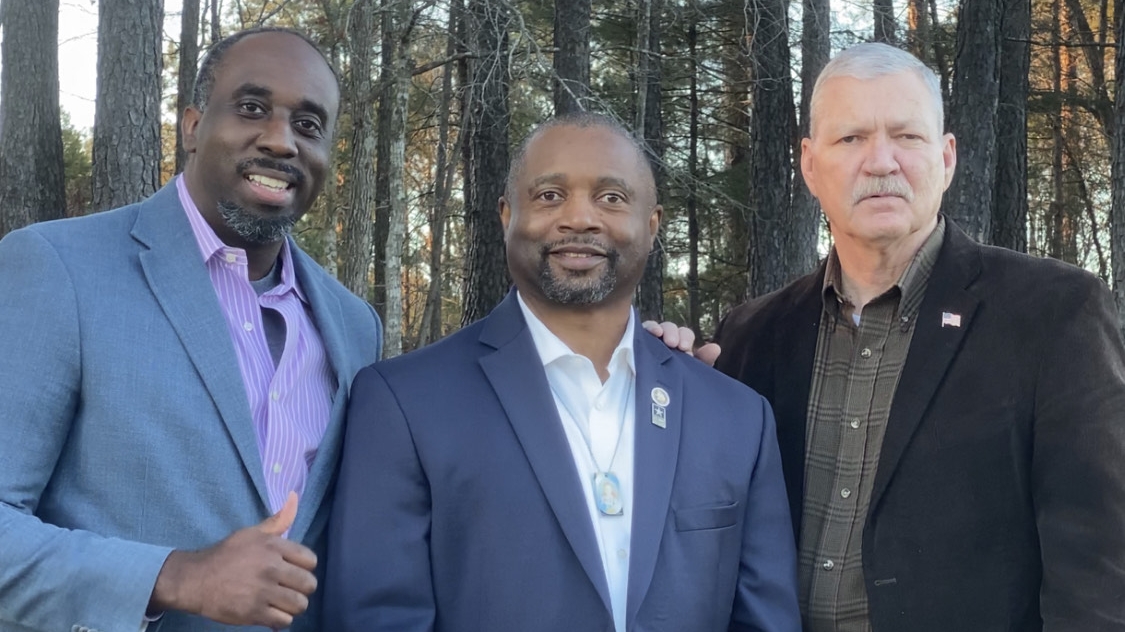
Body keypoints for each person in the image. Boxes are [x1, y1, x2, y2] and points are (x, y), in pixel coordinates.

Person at [324, 112, 801, 632]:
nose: (579, 218)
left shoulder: (737, 417)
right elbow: (378, 618)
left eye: (611, 198)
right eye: (550, 195)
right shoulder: (403, 404)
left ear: (653, 223)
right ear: (506, 215)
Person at [711, 42, 1125, 631]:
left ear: (947, 156)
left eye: (906, 136)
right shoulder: (750, 336)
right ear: (809, 165)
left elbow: (1101, 563)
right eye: (851, 138)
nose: (881, 162)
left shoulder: (1052, 314)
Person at [0, 27, 381, 632]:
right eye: (252, 108)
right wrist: (174, 576)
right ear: (193, 124)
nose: (282, 141)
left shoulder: (354, 324)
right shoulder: (57, 268)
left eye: (308, 125)